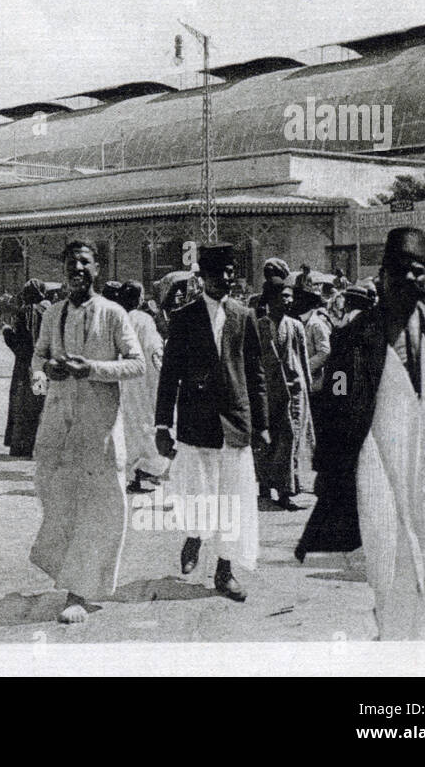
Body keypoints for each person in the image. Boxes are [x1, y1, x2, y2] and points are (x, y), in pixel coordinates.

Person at [296, 228, 425, 640]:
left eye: (417, 271)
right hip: (377, 466)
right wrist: (331, 467)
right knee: (387, 559)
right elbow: (335, 396)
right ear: (382, 276)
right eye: (399, 271)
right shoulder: (352, 338)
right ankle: (396, 640)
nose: (407, 279)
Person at [29, 240, 144, 624]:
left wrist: (91, 368)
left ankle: (78, 592)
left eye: (84, 263)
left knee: (99, 509)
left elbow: (137, 364)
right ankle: (71, 579)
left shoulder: (113, 314)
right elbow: (38, 356)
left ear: (97, 269)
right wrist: (47, 372)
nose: (77, 269)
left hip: (100, 431)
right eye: (71, 263)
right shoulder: (54, 313)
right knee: (59, 501)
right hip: (59, 426)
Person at [154, 243, 268, 601]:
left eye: (232, 272)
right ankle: (194, 536)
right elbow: (169, 375)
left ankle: (225, 570)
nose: (227, 279)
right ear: (202, 277)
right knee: (196, 492)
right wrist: (162, 425)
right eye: (219, 273)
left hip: (235, 422)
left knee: (233, 499)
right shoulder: (184, 318)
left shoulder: (244, 315)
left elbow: (256, 373)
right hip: (196, 423)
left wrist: (262, 422)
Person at [255, 276, 315, 510]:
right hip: (269, 391)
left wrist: (307, 386)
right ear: (271, 299)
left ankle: (286, 491)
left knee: (291, 438)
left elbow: (303, 360)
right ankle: (265, 484)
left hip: (295, 390)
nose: (288, 301)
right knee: (267, 439)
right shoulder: (260, 326)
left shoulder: (296, 325)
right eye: (283, 296)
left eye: (290, 296)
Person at [118, 281, 167, 493]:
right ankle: (143, 470)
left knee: (127, 426)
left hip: (122, 379)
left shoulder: (116, 317)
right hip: (143, 380)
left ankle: (132, 474)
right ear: (139, 299)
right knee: (145, 423)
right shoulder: (144, 319)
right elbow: (154, 348)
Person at [2, 279, 50, 459]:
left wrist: (7, 333)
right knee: (39, 400)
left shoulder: (24, 313)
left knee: (22, 404)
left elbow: (19, 345)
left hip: (24, 367)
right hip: (41, 367)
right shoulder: (48, 311)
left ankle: (22, 445)